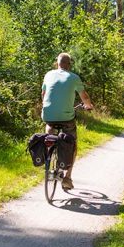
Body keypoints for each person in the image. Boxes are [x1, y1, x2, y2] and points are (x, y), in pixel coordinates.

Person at [41, 52, 93, 190]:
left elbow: (43, 94)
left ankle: (48, 145)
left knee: (50, 125)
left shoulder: (48, 74)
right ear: (69, 64)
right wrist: (88, 105)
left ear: (57, 63)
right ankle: (67, 177)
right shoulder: (74, 77)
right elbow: (84, 96)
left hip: (48, 115)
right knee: (72, 143)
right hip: (66, 118)